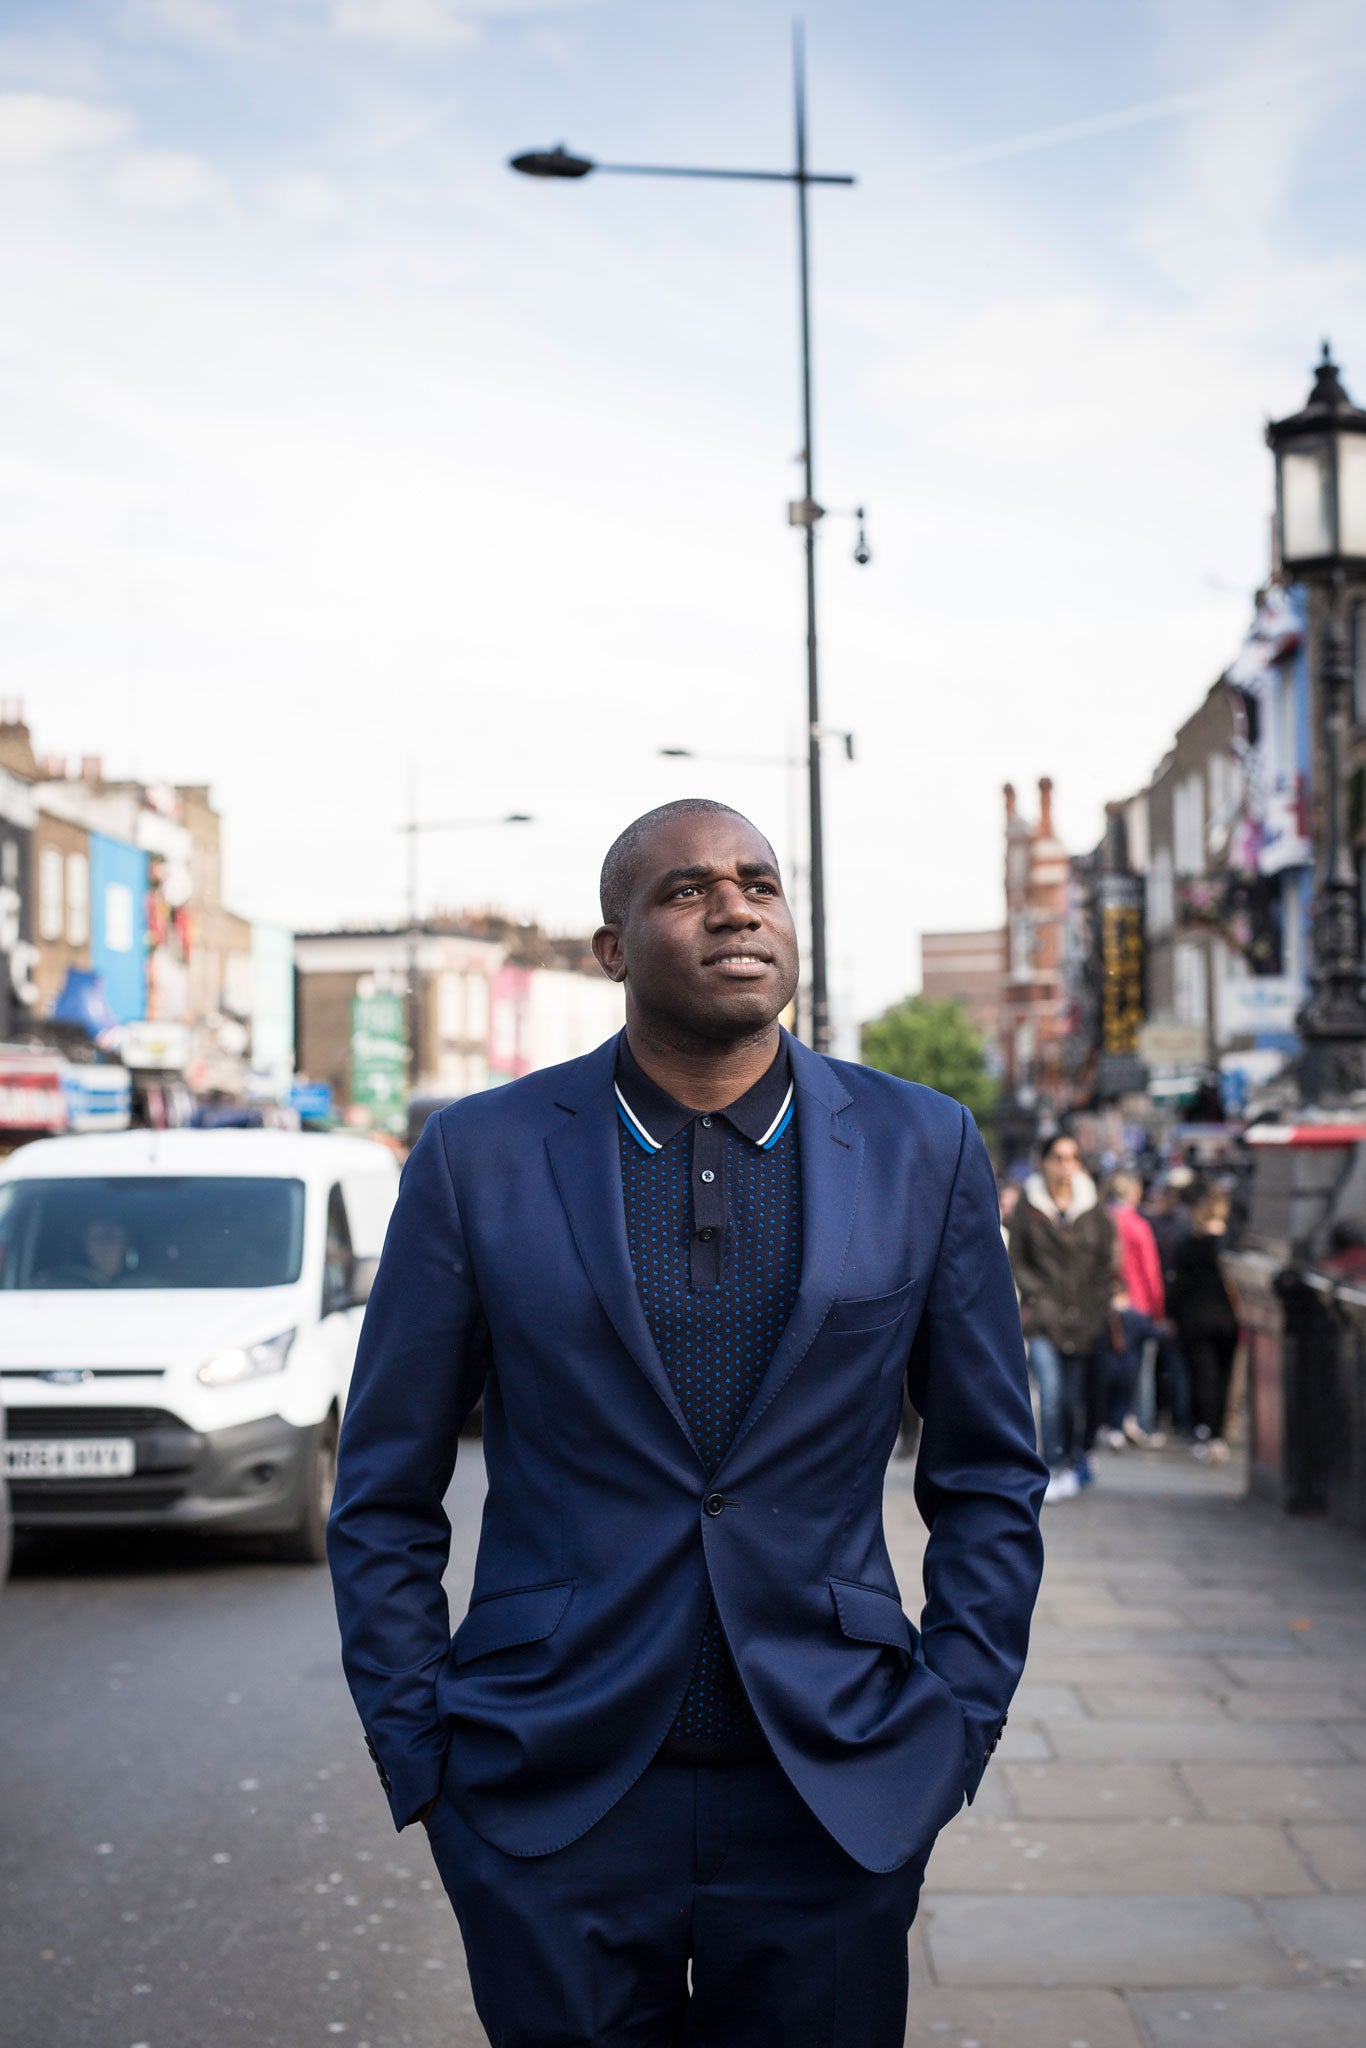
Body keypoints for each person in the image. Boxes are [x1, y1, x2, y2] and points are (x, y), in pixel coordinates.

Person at [328, 798, 1047, 2048]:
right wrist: (423, 1747)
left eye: (759, 882)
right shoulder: (477, 1155)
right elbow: (385, 1486)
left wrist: (953, 1724)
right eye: (685, 889)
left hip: (834, 1781)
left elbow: (988, 1473)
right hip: (548, 1787)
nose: (734, 907)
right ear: (610, 947)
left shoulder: (919, 1144)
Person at [1008, 1132, 1117, 1502]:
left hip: (1084, 1317)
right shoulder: (1029, 1205)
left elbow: (1107, 1260)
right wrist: (1035, 1294)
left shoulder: (1092, 1208)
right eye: (1057, 1156)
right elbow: (1017, 1258)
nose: (1064, 1165)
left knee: (1073, 1399)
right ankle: (1051, 1465)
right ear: (1045, 1161)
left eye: (1071, 1157)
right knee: (1051, 1393)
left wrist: (1103, 1298)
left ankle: (1071, 1461)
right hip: (1043, 1317)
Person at [1168, 1187, 1240, 1465]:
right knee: (1223, 1378)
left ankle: (1202, 1429)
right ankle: (1217, 1436)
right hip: (1227, 1318)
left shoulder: (1187, 1243)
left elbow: (1177, 1284)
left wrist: (1171, 1313)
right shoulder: (1229, 1245)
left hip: (1194, 1319)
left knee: (1200, 1377)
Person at [1106, 1171, 1166, 1445]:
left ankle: (1111, 1422)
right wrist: (1157, 1308)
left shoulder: (1103, 1220)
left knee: (1107, 1366)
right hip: (1137, 1303)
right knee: (1137, 1371)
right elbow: (1150, 1269)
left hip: (1106, 1303)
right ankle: (1135, 1420)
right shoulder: (1138, 1225)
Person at [1093, 1286, 1162, 1452]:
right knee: (1121, 1403)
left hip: (1106, 1368)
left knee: (1103, 1401)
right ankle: (1116, 1431)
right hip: (1128, 1369)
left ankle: (1106, 1429)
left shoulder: (1104, 1315)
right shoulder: (1136, 1316)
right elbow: (1154, 1333)